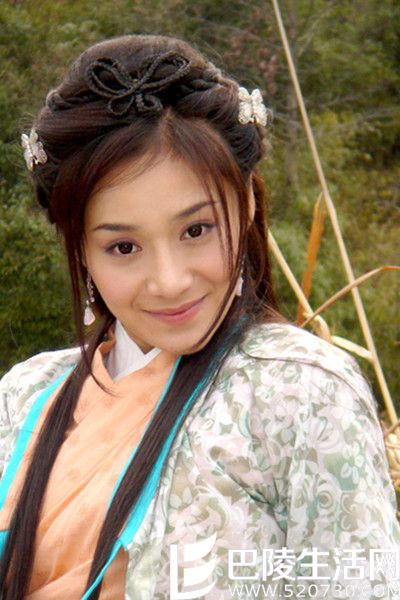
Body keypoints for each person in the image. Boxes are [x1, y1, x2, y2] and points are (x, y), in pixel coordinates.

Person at [0, 34, 399, 600]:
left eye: (196, 230)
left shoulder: (299, 391)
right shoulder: (23, 397)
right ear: (80, 247)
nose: (170, 280)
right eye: (123, 247)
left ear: (247, 202)